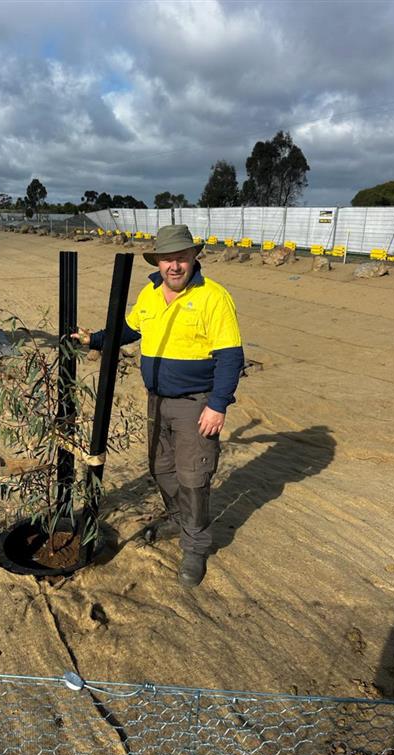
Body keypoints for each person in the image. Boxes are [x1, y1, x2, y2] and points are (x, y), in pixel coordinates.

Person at [73, 224, 244, 587]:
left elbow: (231, 357)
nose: (174, 266)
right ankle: (180, 519)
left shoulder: (214, 297)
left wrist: (218, 405)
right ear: (158, 262)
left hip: (195, 403)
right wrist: (96, 339)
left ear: (193, 257)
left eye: (181, 257)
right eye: (167, 259)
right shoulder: (150, 294)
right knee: (161, 468)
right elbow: (129, 330)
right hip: (156, 399)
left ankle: (195, 547)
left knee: (193, 476)